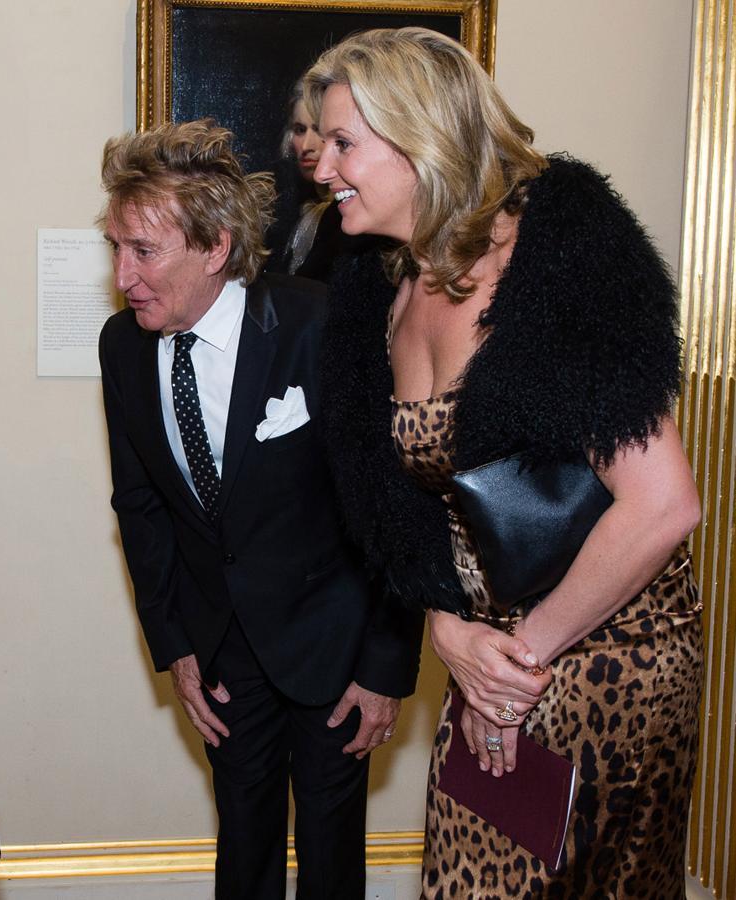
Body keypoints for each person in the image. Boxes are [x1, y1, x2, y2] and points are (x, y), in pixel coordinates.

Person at [307, 28, 703, 897]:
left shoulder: (552, 263)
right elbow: (409, 525)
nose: (320, 164)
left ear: (418, 138)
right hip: (494, 656)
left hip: (610, 649)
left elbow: (664, 504)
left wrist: (516, 664)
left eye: (343, 142)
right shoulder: (383, 285)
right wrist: (450, 632)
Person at [97, 119, 423, 899]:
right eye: (114, 247)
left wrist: (384, 667)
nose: (122, 275)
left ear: (214, 247)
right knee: (242, 843)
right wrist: (174, 644)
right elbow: (139, 507)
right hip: (219, 652)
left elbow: (392, 500)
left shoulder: (320, 326)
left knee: (329, 847)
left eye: (143, 251)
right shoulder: (122, 346)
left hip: (333, 645)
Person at [268, 82, 345, 281]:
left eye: (319, 130)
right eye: (300, 129)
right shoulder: (294, 214)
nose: (307, 146)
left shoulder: (347, 218)